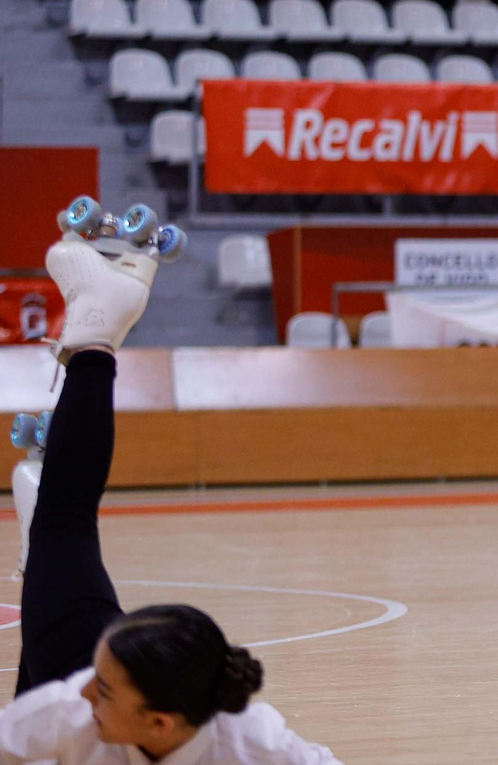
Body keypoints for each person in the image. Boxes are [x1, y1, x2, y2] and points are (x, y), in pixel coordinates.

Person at [1, 211, 339, 761]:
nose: (86, 690)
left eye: (102, 689)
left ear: (157, 725)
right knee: (63, 527)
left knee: (58, 543)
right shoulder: (74, 707)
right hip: (63, 665)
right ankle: (93, 339)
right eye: (99, 678)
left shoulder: (253, 747)